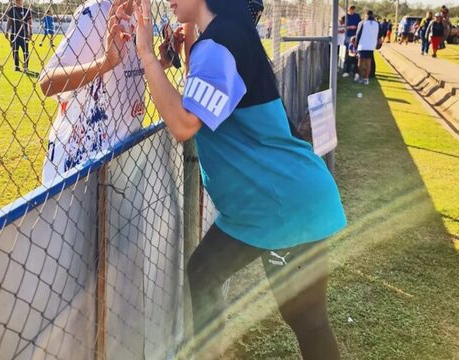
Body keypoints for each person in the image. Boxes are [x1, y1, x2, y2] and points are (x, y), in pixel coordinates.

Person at [132, 0, 347, 358]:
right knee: (204, 273)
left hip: (281, 204)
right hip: (264, 205)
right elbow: (204, 94)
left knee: (306, 319)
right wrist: (184, 43)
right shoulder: (225, 37)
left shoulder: (218, 45)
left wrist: (147, 56)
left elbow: (185, 124)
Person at [38, 0, 182, 185]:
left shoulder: (140, 16)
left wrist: (161, 63)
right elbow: (47, 83)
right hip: (79, 166)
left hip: (118, 164)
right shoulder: (95, 12)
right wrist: (105, 63)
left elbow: (129, 75)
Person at [5, 0, 32, 72]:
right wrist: (6, 31)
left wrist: (30, 33)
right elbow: (9, 21)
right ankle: (16, 66)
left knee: (25, 51)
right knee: (15, 50)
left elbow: (30, 22)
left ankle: (26, 67)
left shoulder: (27, 10)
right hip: (14, 34)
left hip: (24, 35)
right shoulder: (12, 10)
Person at [356, 10, 379, 85]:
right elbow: (379, 34)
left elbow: (358, 34)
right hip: (371, 46)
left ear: (365, 15)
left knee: (361, 62)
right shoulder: (376, 24)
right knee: (368, 62)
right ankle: (366, 78)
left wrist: (356, 43)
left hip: (362, 45)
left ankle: (360, 77)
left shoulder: (362, 23)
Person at [342, 5, 361, 77]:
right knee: (348, 52)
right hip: (348, 36)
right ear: (348, 10)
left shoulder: (357, 16)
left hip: (355, 36)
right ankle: (347, 69)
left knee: (356, 52)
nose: (352, 11)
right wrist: (349, 27)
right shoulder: (345, 16)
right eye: (351, 10)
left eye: (353, 10)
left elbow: (360, 24)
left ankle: (355, 70)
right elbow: (342, 25)